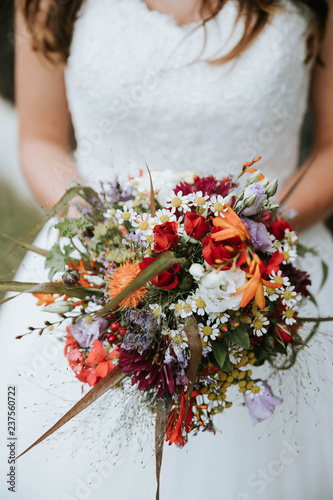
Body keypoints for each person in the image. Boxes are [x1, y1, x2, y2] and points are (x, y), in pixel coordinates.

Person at [0, 0, 333, 498]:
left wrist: (245, 240)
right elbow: (40, 140)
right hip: (101, 266)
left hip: (269, 270)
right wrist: (107, 242)